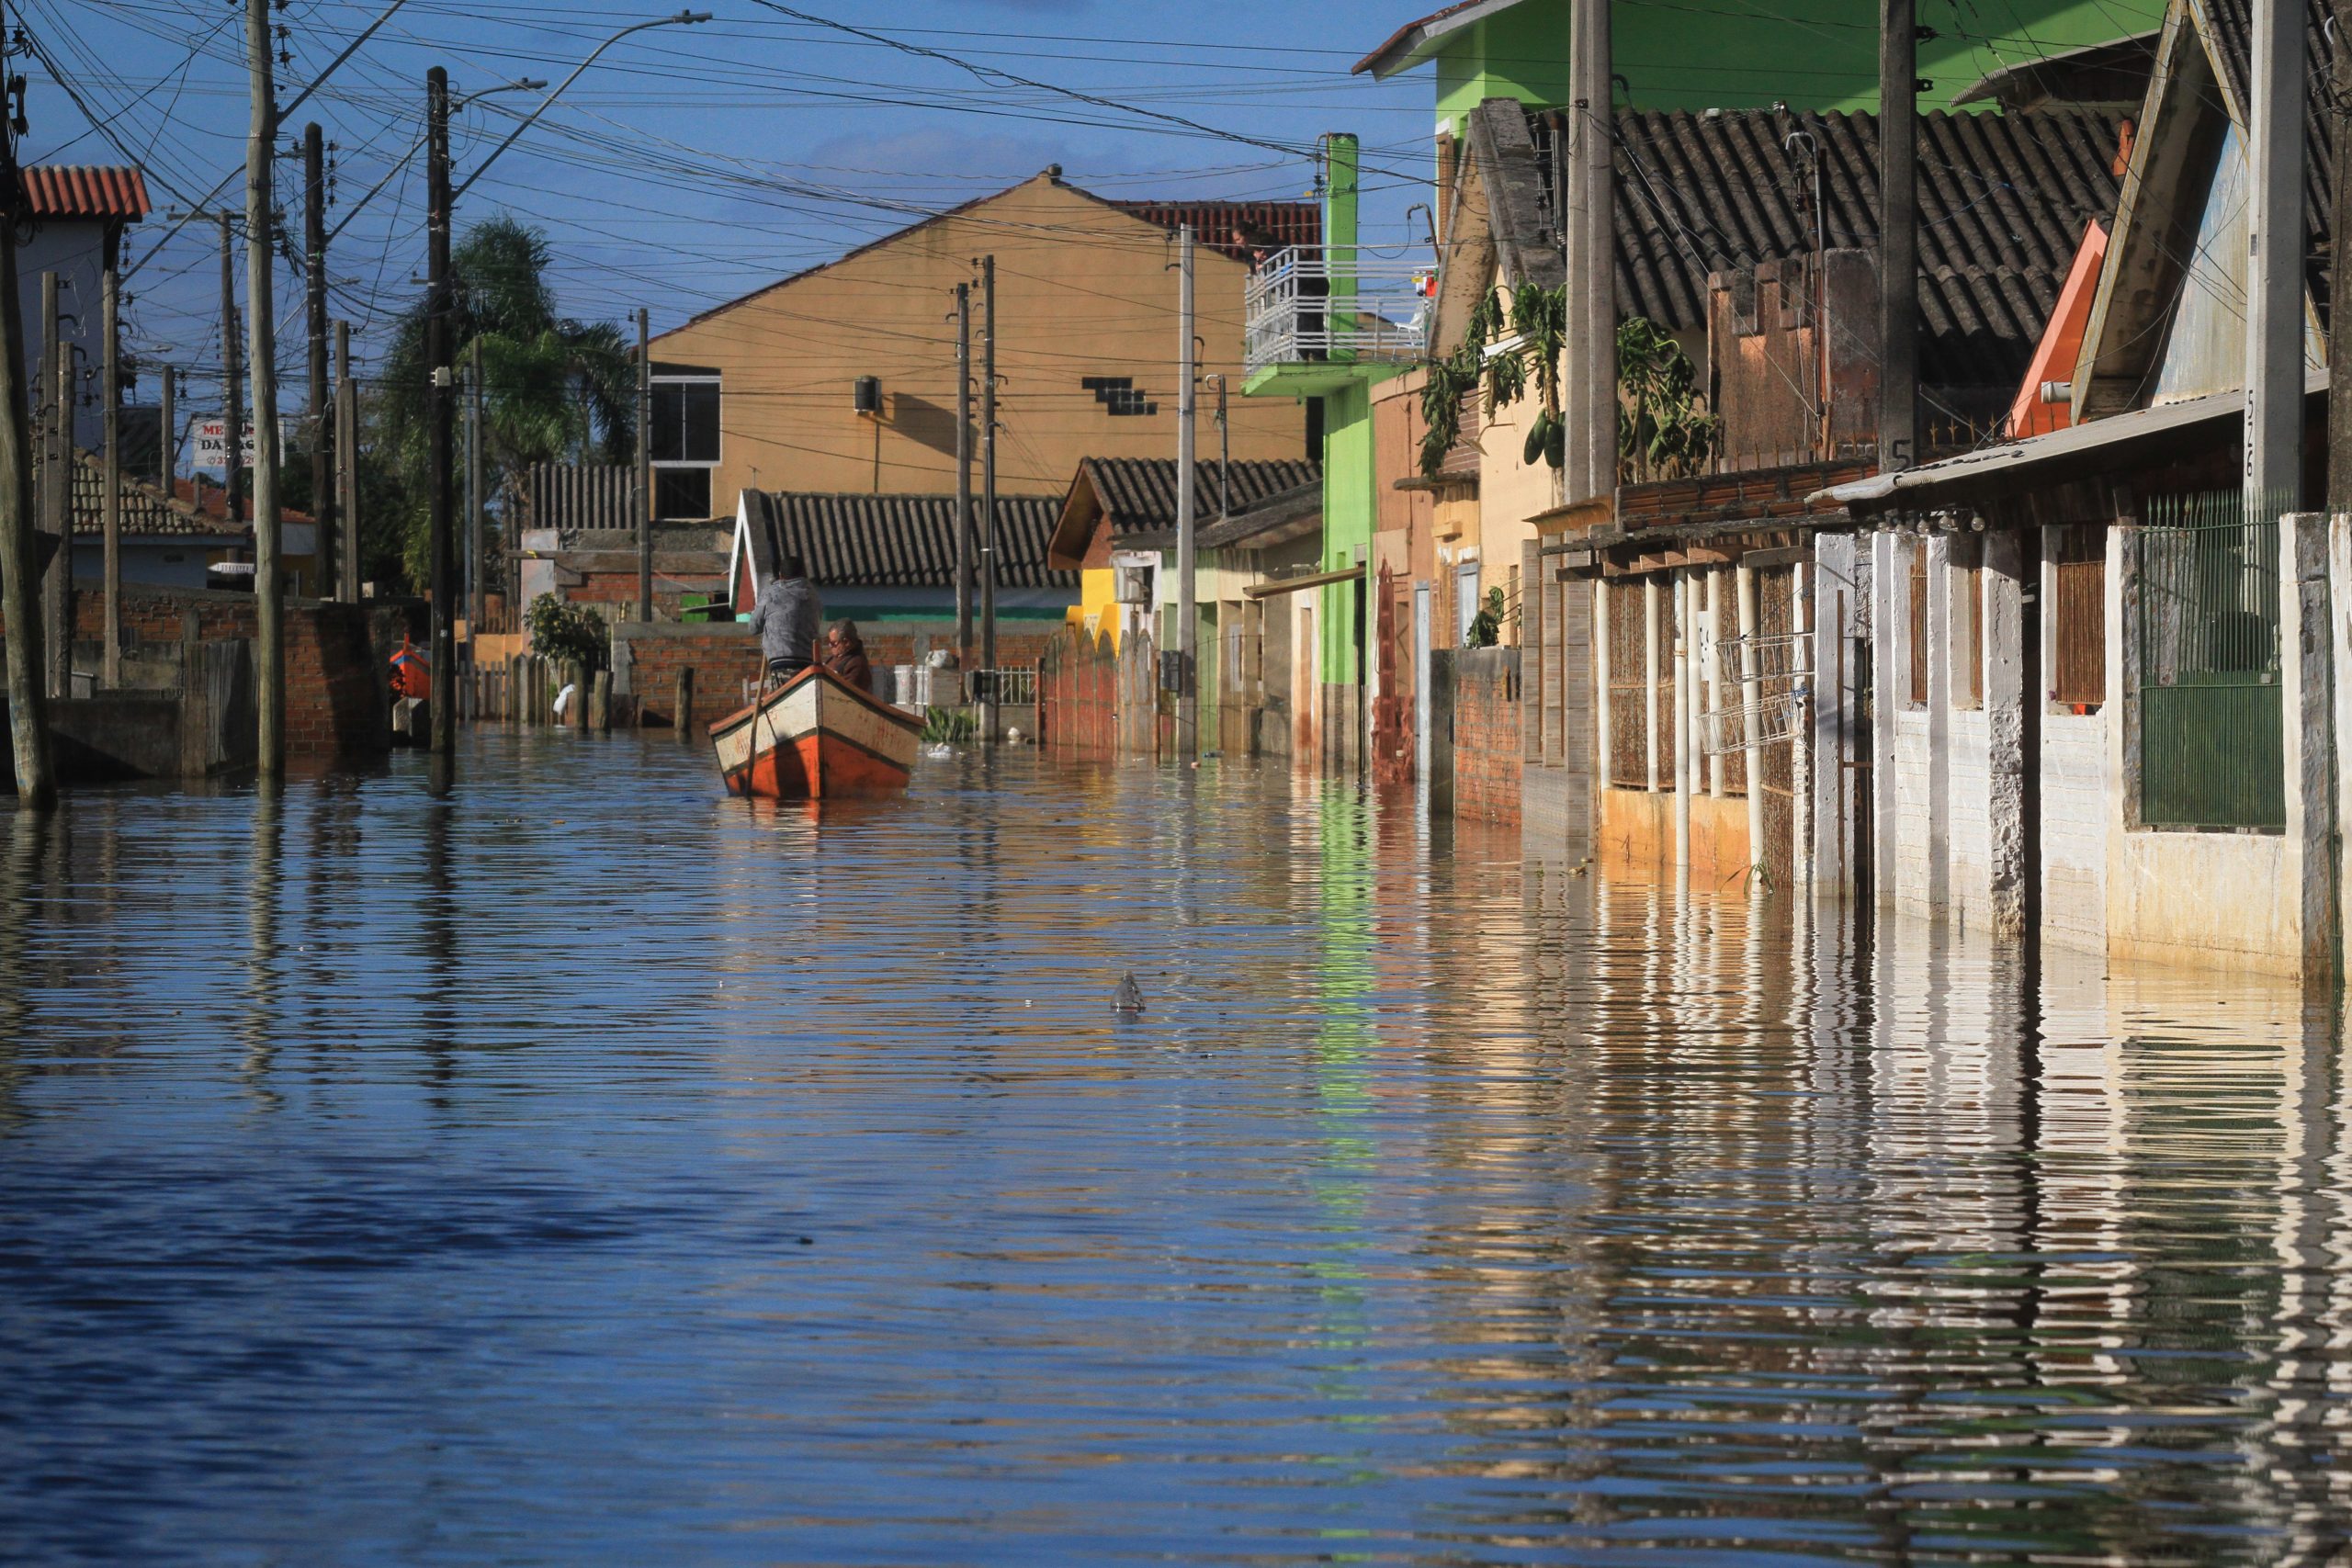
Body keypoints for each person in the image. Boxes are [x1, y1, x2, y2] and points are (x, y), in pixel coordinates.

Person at [749, 553, 821, 683]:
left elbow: (753, 627)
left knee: (782, 702)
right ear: (803, 574)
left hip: (781, 662)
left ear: (781, 575)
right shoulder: (813, 595)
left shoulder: (772, 592)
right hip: (809, 664)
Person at [822, 618, 872, 691]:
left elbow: (848, 692)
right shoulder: (834, 658)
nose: (830, 646)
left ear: (846, 642)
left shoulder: (857, 664)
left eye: (833, 643)